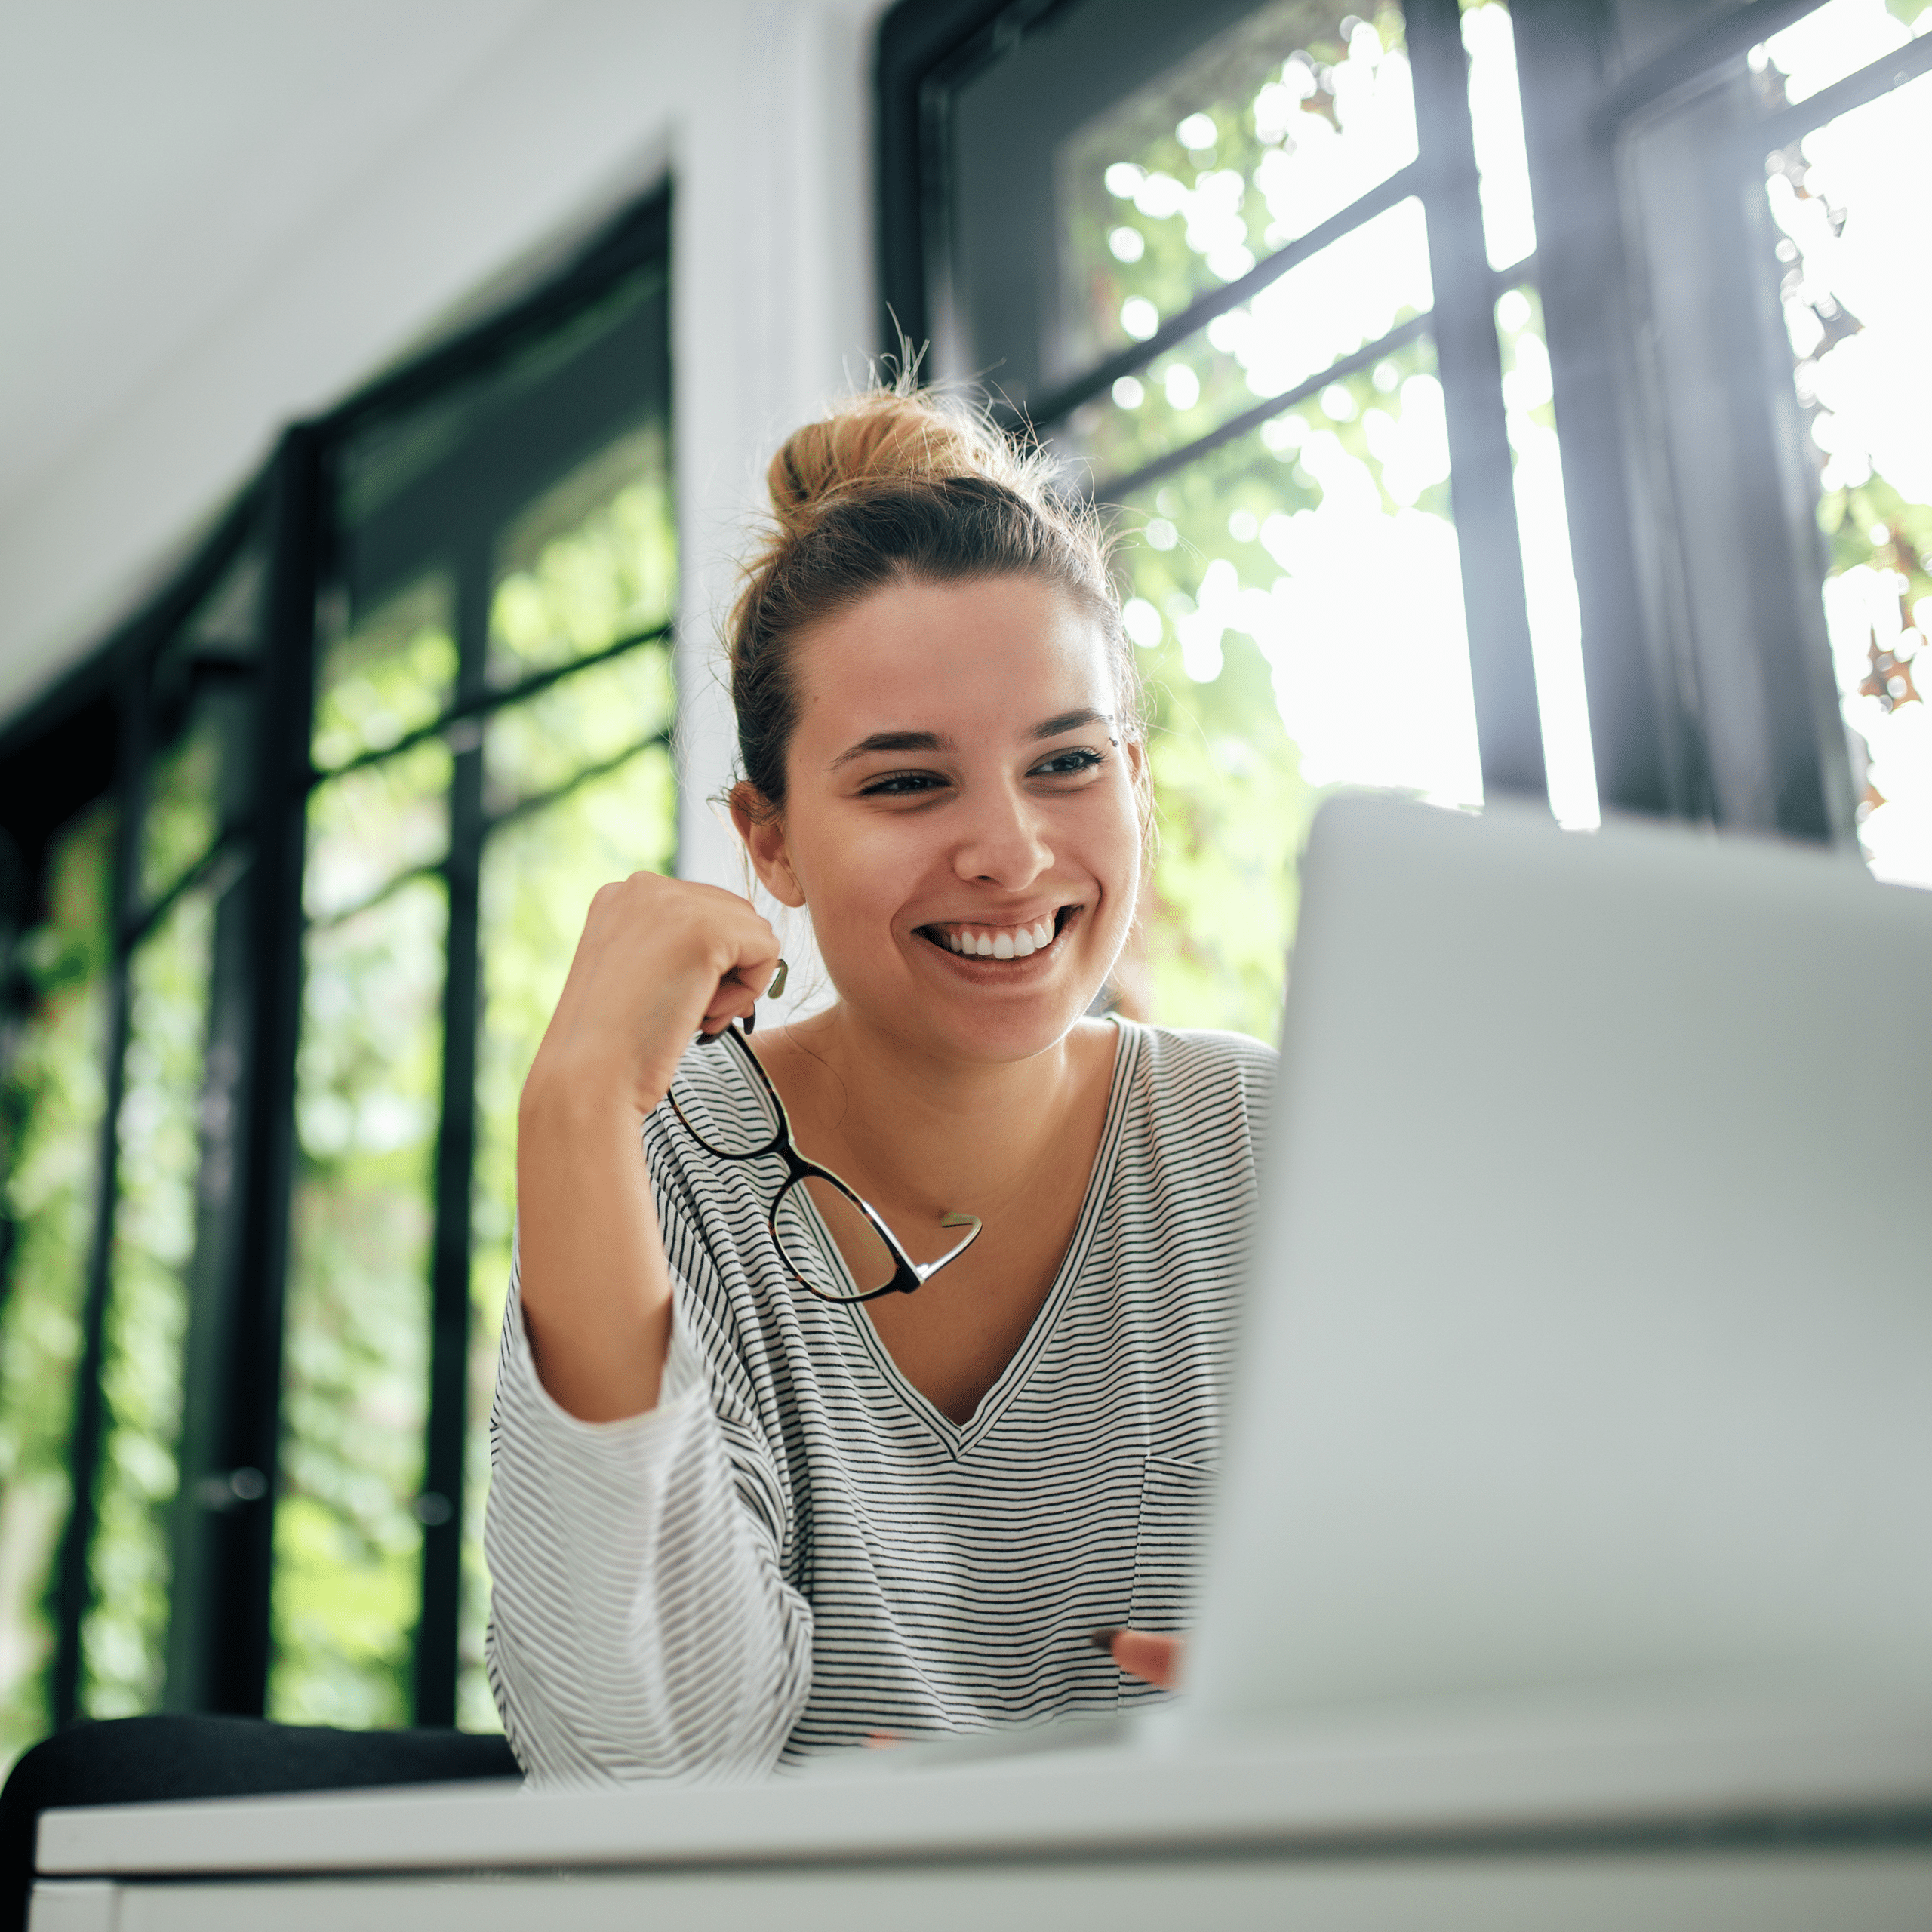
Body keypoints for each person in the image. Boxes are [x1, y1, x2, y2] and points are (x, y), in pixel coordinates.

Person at [486, 384, 1274, 1781]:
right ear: (771, 842)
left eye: (1067, 762)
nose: (1010, 854)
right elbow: (638, 1779)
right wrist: (571, 1109)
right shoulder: (664, 1172)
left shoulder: (1272, 1147)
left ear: (1135, 781)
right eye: (908, 784)